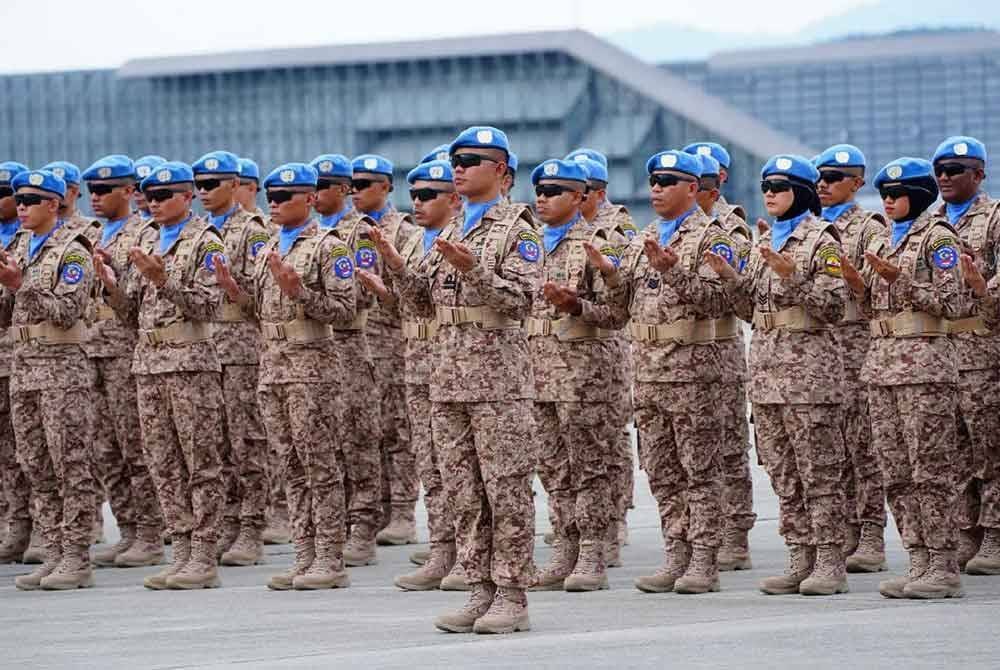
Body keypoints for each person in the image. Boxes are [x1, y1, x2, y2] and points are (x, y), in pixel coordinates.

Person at [374, 126, 540, 634]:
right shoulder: (455, 227)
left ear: (503, 172)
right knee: (463, 492)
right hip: (446, 380)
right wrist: (398, 268)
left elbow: (521, 302)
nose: (459, 168)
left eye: (471, 159)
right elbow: (422, 302)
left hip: (498, 383)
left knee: (505, 489)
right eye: (455, 160)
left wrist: (475, 272)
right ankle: (478, 590)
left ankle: (512, 596)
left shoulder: (518, 228)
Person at [704, 154, 849, 596]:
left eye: (779, 188)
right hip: (767, 376)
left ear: (802, 193)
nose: (769, 194)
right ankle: (800, 556)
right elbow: (753, 310)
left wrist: (791, 278)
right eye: (766, 187)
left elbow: (832, 307)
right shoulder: (763, 242)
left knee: (819, 472)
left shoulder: (821, 240)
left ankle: (829, 562)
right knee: (785, 474)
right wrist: (732, 279)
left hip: (809, 378)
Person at [599, 150, 735, 595]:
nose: (656, 188)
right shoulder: (645, 238)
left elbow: (722, 302)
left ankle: (703, 560)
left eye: (667, 181)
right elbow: (621, 311)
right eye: (653, 180)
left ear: (693, 189)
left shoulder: (712, 238)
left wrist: (674, 271)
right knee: (663, 472)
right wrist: (610, 279)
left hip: (693, 375)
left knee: (700, 471)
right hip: (649, 375)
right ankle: (675, 552)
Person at [97, 161, 227, 590]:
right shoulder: (145, 239)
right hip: (148, 364)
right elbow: (130, 312)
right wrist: (112, 287)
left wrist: (163, 278)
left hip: (190, 362)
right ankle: (182, 549)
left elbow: (210, 307)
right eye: (149, 197)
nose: (154, 204)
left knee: (200, 462)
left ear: (187, 198)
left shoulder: (206, 241)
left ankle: (204, 554)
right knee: (162, 462)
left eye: (164, 196)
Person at [841, 157, 966, 598]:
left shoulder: (937, 239)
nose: (889, 201)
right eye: (885, 195)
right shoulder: (884, 240)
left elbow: (954, 304)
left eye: (896, 195)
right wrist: (861, 286)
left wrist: (902, 281)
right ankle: (917, 559)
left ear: (916, 197)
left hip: (925, 370)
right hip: (882, 369)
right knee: (896, 472)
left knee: (930, 471)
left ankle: (944, 566)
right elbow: (875, 309)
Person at [234, 162, 357, 590]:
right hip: (273, 368)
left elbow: (345, 311)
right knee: (289, 464)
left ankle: (329, 558)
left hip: (312, 369)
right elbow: (259, 311)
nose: (276, 204)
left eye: (285, 197)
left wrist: (298, 292)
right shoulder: (268, 246)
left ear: (308, 199)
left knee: (319, 464)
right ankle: (304, 555)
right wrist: (236, 293)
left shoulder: (329, 246)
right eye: (272, 197)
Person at [524, 158, 626, 592]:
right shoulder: (528, 243)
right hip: (537, 373)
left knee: (589, 468)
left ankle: (592, 554)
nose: (543, 199)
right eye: (540, 191)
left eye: (554, 192)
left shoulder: (599, 242)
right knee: (553, 468)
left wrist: (577, 306)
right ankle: (565, 549)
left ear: (580, 198)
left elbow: (619, 312)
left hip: (584, 374)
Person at [360, 159, 460, 591]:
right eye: (414, 195)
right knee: (432, 463)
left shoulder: (462, 240)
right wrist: (391, 284)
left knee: (461, 468)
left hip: (459, 364)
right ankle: (443, 550)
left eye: (427, 195)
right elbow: (411, 306)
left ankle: (471, 556)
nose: (416, 203)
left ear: (452, 198)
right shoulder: (419, 243)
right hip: (419, 364)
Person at [1, 169, 97, 590]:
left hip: (61, 370)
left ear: (53, 205)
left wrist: (20, 285)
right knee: (36, 466)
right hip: (24, 370)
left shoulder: (73, 251)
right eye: (18, 199)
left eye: (31, 200)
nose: (21, 207)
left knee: (69, 465)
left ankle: (77, 558)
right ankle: (54, 551)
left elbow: (67, 311)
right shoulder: (19, 246)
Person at [82, 155, 166, 569]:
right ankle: (129, 529)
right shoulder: (89, 234)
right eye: (91, 190)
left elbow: (135, 300)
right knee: (105, 448)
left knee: (136, 447)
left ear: (129, 192)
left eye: (104, 190)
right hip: (91, 351)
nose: (95, 198)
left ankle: (151, 533)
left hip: (124, 351)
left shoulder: (145, 234)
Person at [811, 144, 889, 573]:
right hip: (817, 354)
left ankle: (871, 534)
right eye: (820, 178)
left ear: (857, 183)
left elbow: (878, 290)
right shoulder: (809, 228)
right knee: (828, 447)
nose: (823, 185)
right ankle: (839, 531)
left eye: (834, 178)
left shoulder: (868, 228)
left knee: (862, 446)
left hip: (854, 346)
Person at [191, 150, 271, 566]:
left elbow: (267, 296)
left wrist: (233, 288)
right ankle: (223, 521)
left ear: (236, 186)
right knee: (213, 442)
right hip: (204, 348)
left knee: (247, 441)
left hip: (241, 345)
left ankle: (251, 526)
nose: (203, 192)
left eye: (212, 185)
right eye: (198, 185)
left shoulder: (253, 231)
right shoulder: (197, 231)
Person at [931, 136, 1000, 574]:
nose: (945, 177)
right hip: (941, 352)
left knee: (989, 447)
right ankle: (964, 531)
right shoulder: (931, 223)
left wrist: (981, 288)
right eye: (939, 170)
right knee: (952, 450)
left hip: (983, 348)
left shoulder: (994, 218)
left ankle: (994, 534)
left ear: (979, 174)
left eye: (955, 170)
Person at [311, 153, 384, 567]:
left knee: (357, 440)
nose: (315, 195)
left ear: (344, 191)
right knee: (322, 443)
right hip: (310, 351)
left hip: (348, 346)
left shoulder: (360, 233)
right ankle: (330, 527)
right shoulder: (300, 233)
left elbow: (361, 294)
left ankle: (362, 527)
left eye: (324, 187)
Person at [690, 151, 756, 571]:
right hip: (688, 357)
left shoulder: (730, 227)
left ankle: (736, 531)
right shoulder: (674, 229)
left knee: (730, 446)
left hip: (723, 349)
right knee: (700, 450)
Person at [350, 154, 419, 549]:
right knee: (364, 431)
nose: (355, 192)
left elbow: (413, 295)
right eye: (352, 185)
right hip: (357, 347)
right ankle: (371, 508)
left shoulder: (404, 232)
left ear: (385, 187)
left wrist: (386, 295)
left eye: (364, 185)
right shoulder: (347, 231)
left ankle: (403, 512)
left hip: (393, 343)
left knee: (397, 430)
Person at [571, 152, 636, 565]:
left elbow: (621, 290)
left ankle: (614, 520)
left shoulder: (617, 229)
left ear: (599, 192)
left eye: (584, 193)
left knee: (609, 438)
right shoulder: (565, 231)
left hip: (606, 345)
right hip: (571, 351)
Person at [0, 161, 32, 564]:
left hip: (29, 357)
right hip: (17, 358)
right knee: (10, 453)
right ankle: (14, 524)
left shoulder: (34, 244)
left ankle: (45, 531)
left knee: (34, 453)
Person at [132, 156, 167, 221]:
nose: (136, 193)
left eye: (141, 188)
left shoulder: (179, 221)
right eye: (132, 188)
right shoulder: (124, 224)